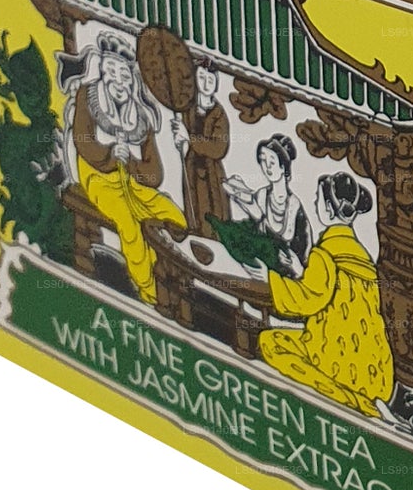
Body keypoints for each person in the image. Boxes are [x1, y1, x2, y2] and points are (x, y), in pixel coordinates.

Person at [254, 173, 395, 418]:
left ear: (329, 209)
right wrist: (300, 270)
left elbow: (304, 301)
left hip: (333, 359)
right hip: (378, 373)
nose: (314, 202)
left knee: (269, 342)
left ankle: (356, 402)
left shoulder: (325, 253)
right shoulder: (362, 256)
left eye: (317, 198)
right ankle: (367, 399)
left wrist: (272, 277)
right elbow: (333, 289)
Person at [69, 33, 185, 303]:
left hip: (131, 183)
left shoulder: (140, 115)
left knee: (172, 214)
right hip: (97, 177)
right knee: (128, 223)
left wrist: (130, 163)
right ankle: (149, 291)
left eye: (124, 75)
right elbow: (82, 140)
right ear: (103, 72)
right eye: (112, 72)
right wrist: (110, 155)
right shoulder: (89, 96)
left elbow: (154, 174)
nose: (119, 81)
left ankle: (176, 281)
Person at [225, 136, 309, 273]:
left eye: (272, 162)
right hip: (261, 264)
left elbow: (297, 247)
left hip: (289, 272)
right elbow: (255, 229)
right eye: (263, 160)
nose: (267, 167)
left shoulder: (294, 205)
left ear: (283, 167)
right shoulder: (262, 194)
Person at [169, 64, 231, 246]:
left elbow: (218, 148)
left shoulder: (219, 114)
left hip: (212, 172)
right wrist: (180, 139)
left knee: (213, 211)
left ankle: (214, 244)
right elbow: (182, 135)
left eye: (210, 80)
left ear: (216, 83)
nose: (205, 83)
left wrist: (189, 138)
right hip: (192, 166)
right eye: (202, 77)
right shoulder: (189, 108)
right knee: (192, 204)